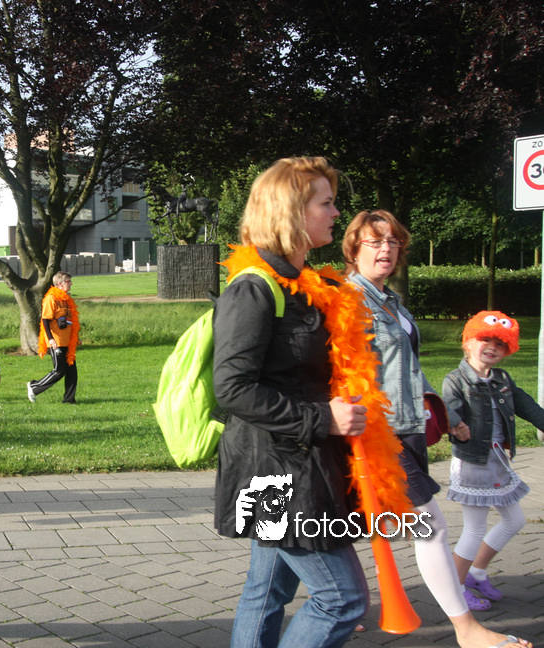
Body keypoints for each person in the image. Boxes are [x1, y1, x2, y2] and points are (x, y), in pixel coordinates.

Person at [212, 157, 412, 648]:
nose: (337, 212)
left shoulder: (310, 287)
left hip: (300, 463)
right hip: (276, 470)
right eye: (327, 203)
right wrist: (324, 417)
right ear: (292, 211)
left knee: (267, 590)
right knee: (342, 599)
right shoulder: (253, 289)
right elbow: (232, 387)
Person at [343, 211, 528, 648]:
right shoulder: (350, 300)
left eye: (393, 242)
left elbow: (406, 367)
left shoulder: (390, 301)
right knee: (432, 526)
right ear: (353, 248)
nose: (386, 249)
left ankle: (335, 605)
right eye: (375, 242)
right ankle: (466, 629)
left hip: (406, 427)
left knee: (345, 522)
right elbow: (338, 367)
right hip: (379, 433)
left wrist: (444, 413)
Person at [444, 311, 544, 618]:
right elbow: (445, 406)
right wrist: (456, 424)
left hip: (498, 461)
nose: (492, 347)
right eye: (484, 339)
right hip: (473, 463)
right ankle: (455, 588)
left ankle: (477, 572)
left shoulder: (502, 380)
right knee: (474, 529)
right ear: (467, 343)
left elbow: (527, 406)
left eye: (500, 343)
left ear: (507, 350)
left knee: (515, 521)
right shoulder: (456, 379)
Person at [27, 272, 80, 404]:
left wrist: (76, 337)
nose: (71, 283)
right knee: (59, 371)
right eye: (68, 281)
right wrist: (50, 339)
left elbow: (71, 320)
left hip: (67, 341)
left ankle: (69, 400)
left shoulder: (67, 299)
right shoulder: (51, 298)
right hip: (56, 341)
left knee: (72, 372)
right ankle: (34, 386)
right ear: (60, 283)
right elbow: (45, 320)